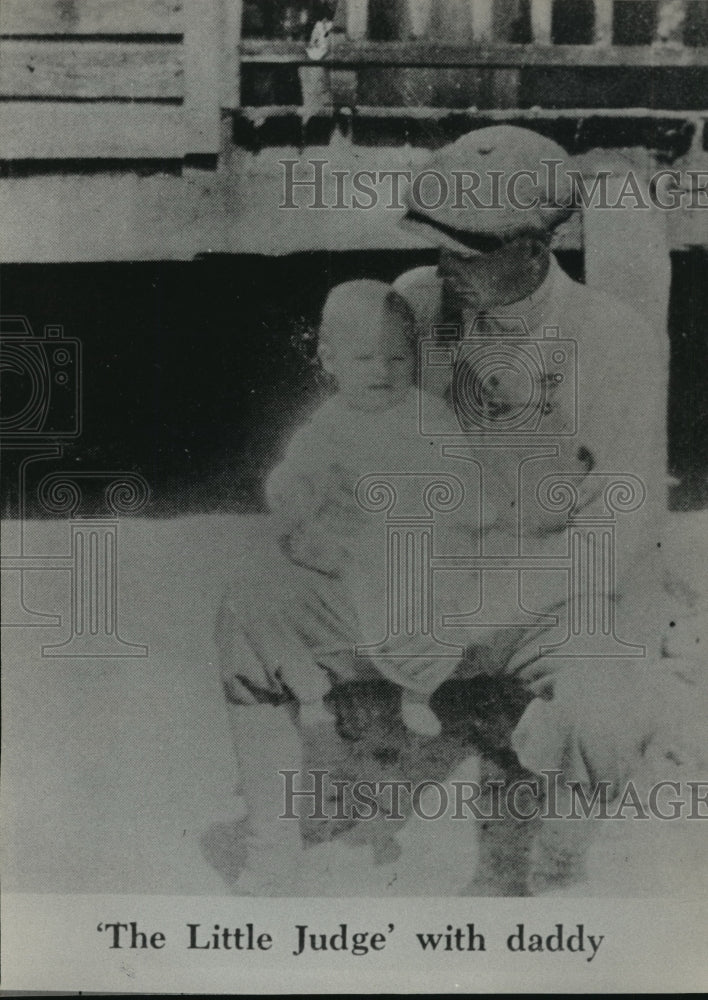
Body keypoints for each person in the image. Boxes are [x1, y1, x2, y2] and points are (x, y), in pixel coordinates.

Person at [392, 123, 685, 892]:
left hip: (556, 600)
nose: (445, 264)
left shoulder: (611, 340)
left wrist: (479, 611)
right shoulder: (417, 306)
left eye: (469, 247)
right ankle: (273, 843)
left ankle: (557, 863)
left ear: (533, 248)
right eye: (438, 244)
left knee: (607, 714)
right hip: (437, 583)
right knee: (255, 619)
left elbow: (616, 538)